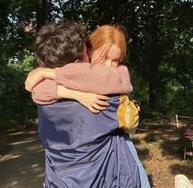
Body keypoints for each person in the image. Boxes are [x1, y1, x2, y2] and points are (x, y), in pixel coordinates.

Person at [25, 23, 150, 188]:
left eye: (116, 61)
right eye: (104, 57)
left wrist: (46, 73)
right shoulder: (104, 96)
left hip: (60, 179)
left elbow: (36, 89)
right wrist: (76, 94)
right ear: (87, 52)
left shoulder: (48, 86)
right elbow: (130, 120)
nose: (109, 67)